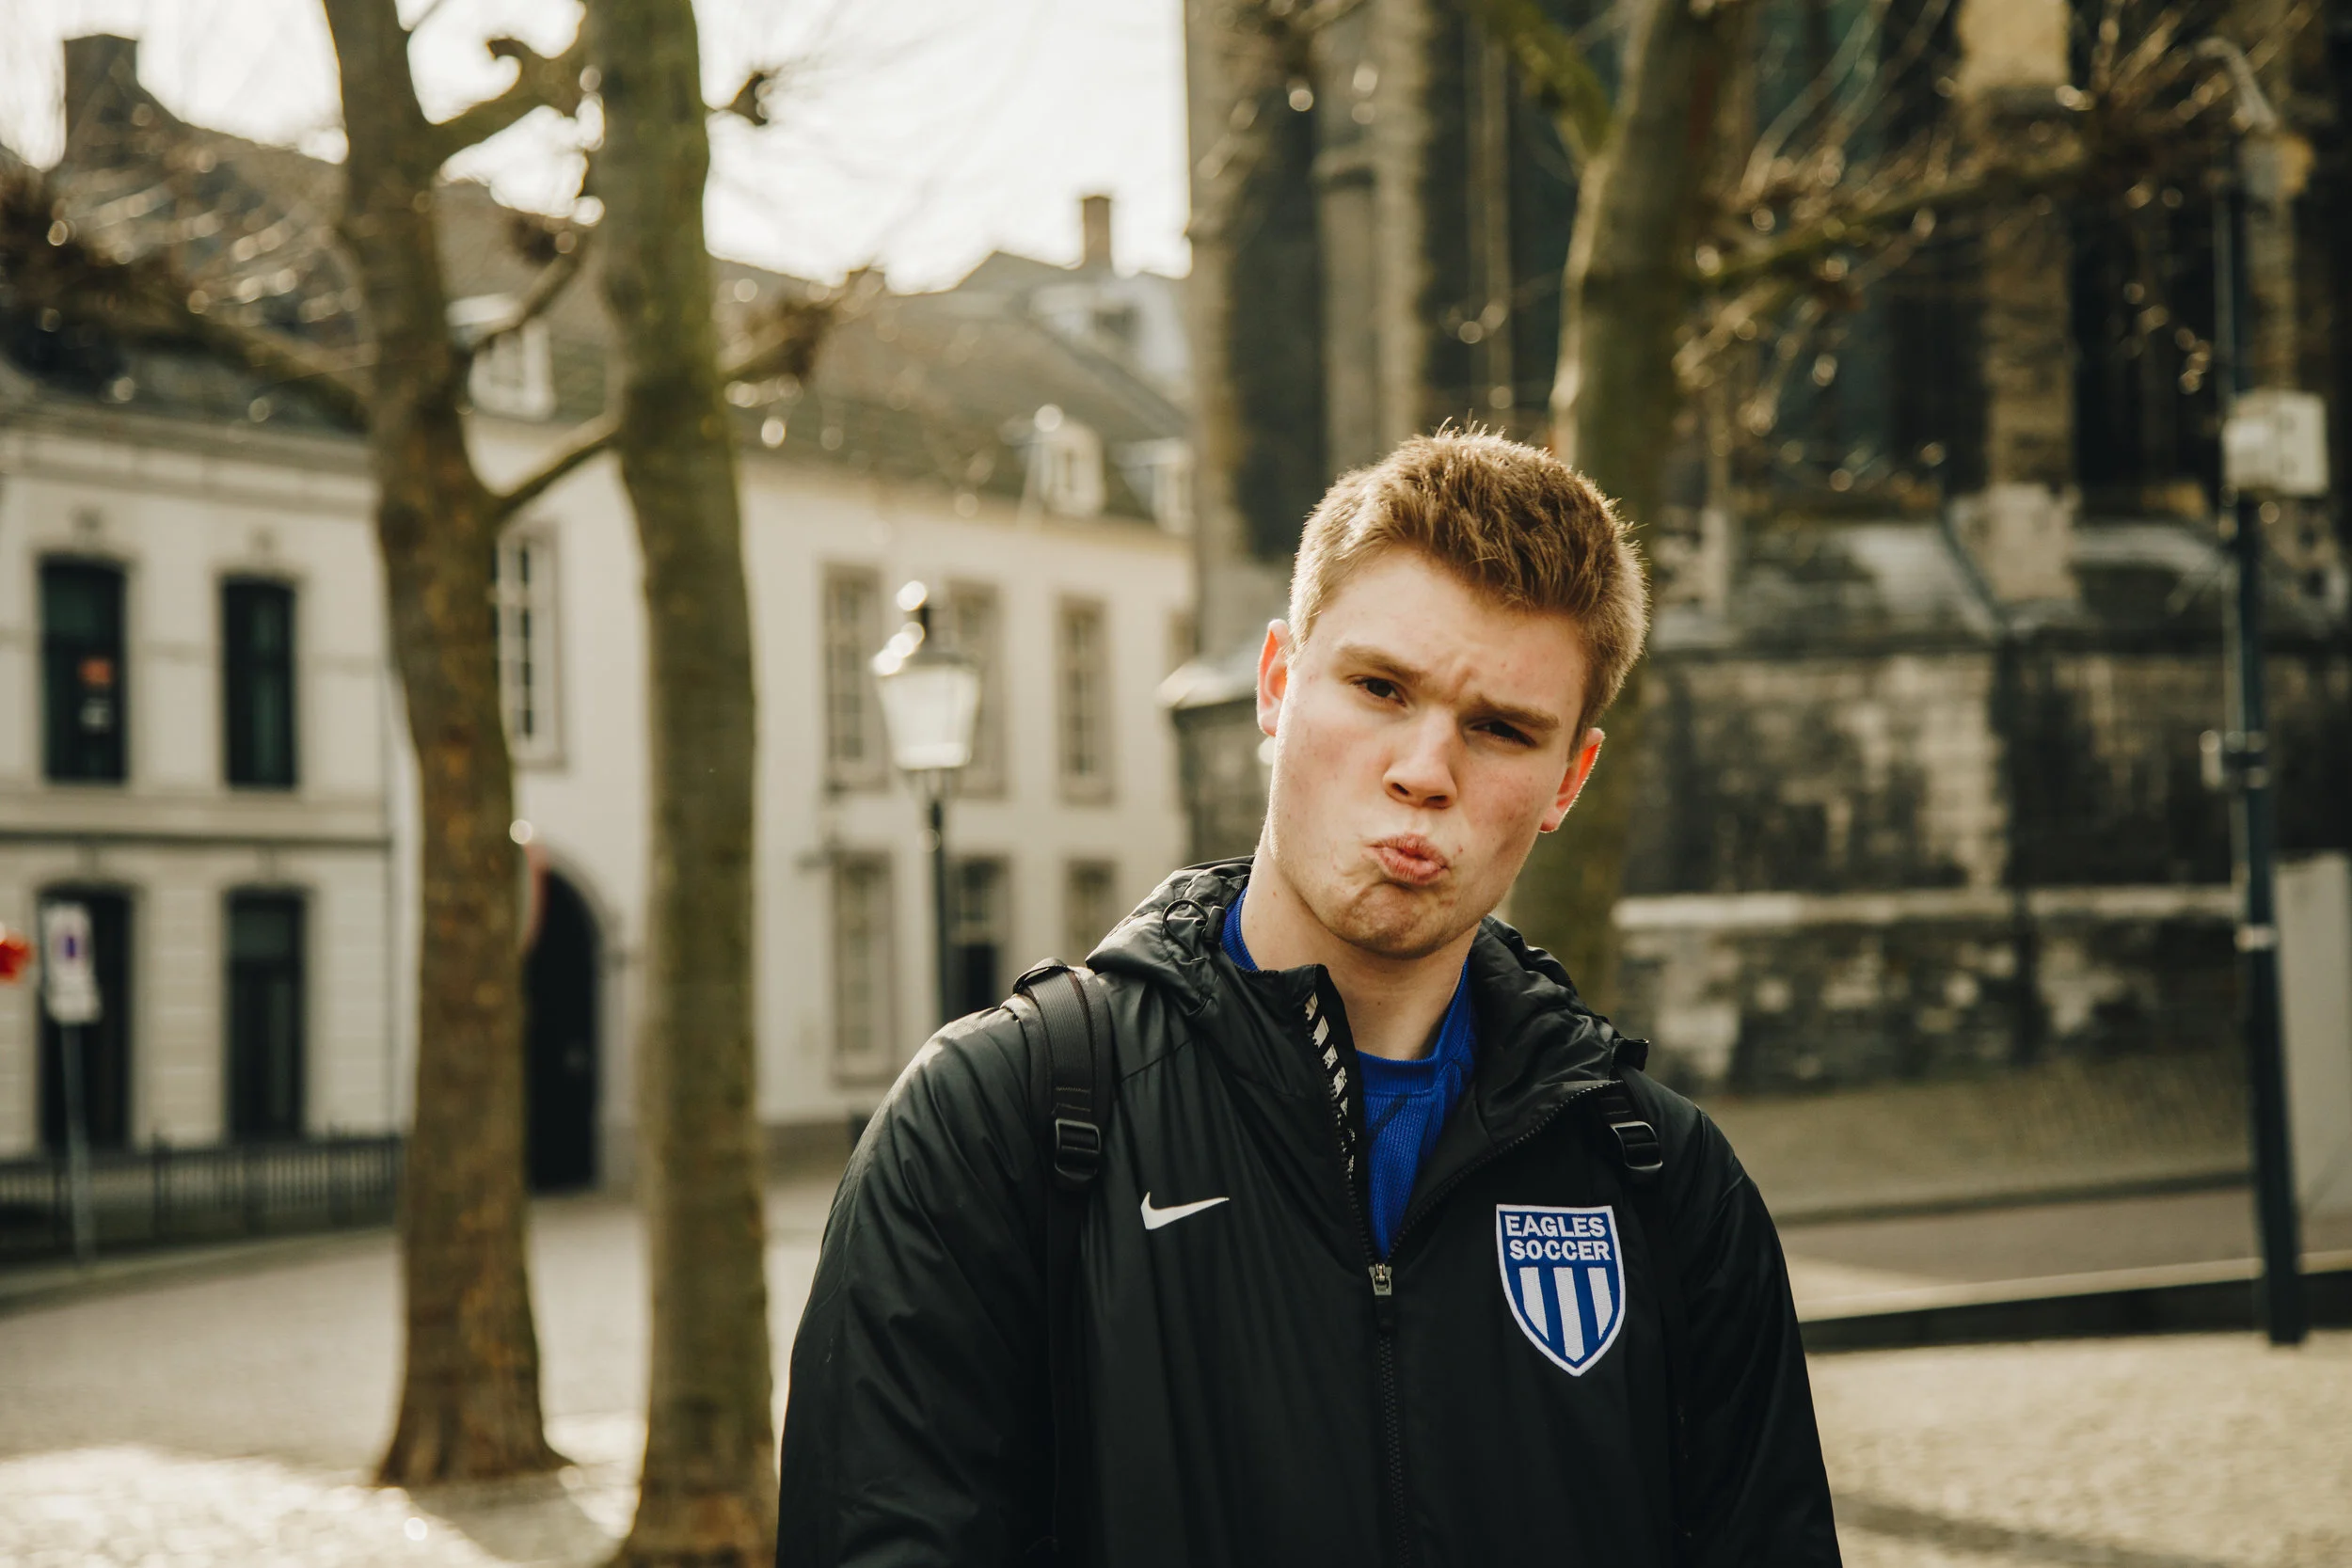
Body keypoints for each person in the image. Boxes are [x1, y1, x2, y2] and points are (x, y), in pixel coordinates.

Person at [777, 432, 1841, 1566]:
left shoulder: (1664, 1183)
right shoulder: (994, 1129)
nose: (1424, 770)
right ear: (1277, 684)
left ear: (1568, 781)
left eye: (1499, 728)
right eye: (1380, 688)